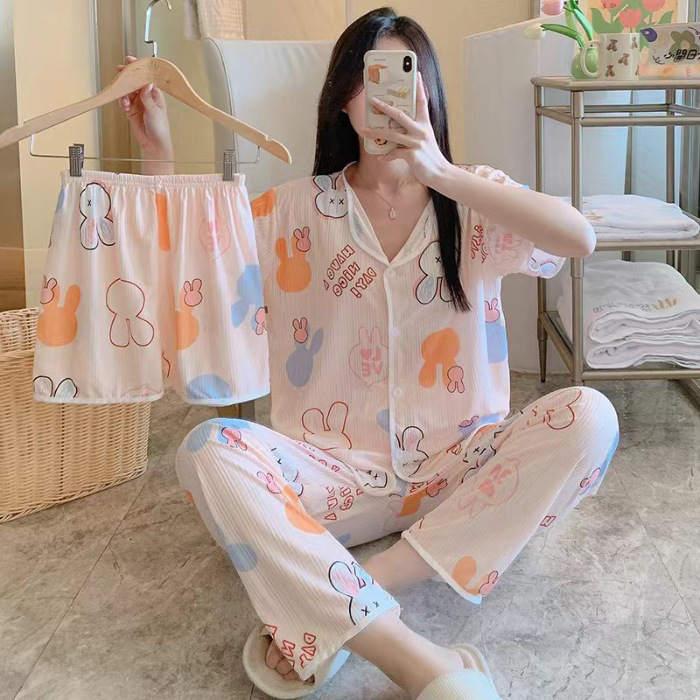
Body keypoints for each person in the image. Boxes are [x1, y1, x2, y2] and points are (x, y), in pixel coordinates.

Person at [120, 7, 619, 699]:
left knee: (592, 417)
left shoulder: (473, 199)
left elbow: (577, 239)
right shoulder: (291, 210)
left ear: (429, 92)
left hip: (457, 471)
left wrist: (443, 174)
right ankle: (415, 660)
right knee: (207, 449)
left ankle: (357, 590)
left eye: (404, 74)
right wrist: (160, 157)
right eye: (368, 76)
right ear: (342, 99)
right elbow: (189, 277)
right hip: (329, 480)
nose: (386, 96)